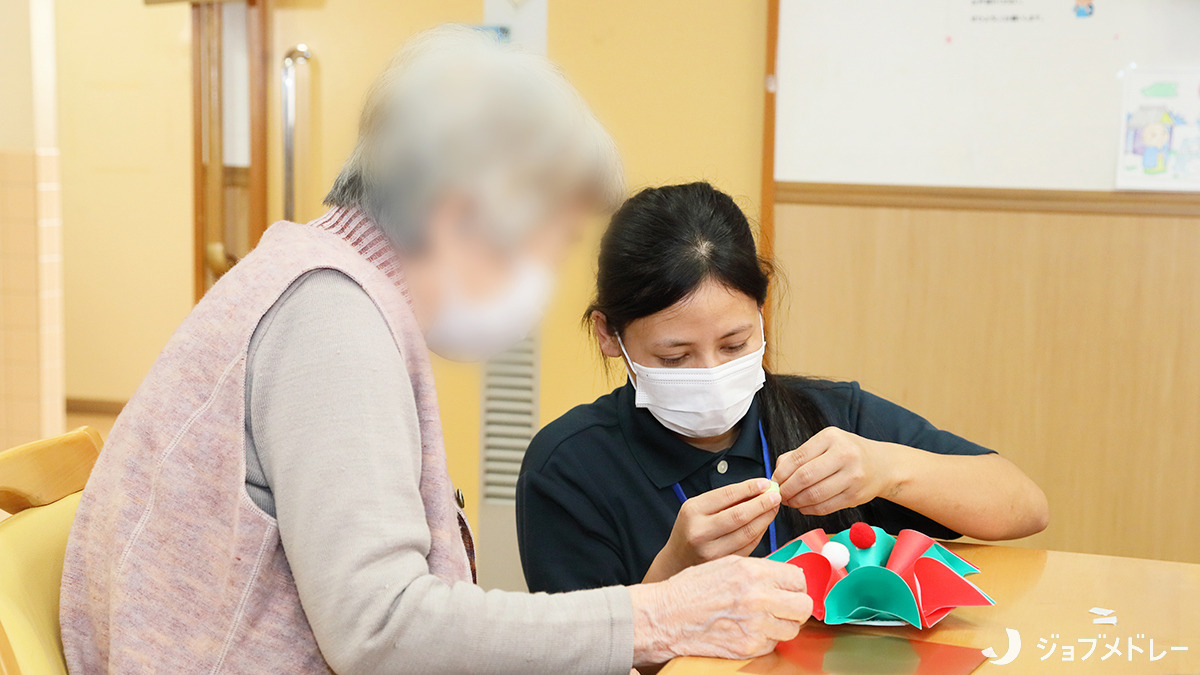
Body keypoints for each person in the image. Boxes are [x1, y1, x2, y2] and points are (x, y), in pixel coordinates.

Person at [59, 29, 814, 674]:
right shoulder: (330, 316)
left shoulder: (327, 284)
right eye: (545, 243)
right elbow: (381, 627)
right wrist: (657, 616)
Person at [516, 182, 1050, 593]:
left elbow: (1025, 507)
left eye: (733, 344)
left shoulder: (828, 416)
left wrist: (887, 470)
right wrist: (677, 567)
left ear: (761, 313)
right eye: (674, 357)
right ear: (610, 335)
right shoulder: (569, 467)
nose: (710, 374)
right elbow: (586, 654)